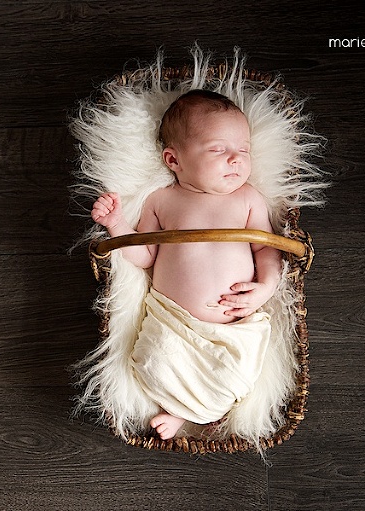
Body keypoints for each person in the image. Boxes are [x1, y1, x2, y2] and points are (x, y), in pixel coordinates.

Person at [90, 90, 282, 440]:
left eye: (244, 150)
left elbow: (267, 249)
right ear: (173, 160)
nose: (236, 159)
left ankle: (187, 411)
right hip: (173, 321)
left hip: (233, 329)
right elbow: (144, 255)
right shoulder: (162, 200)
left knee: (233, 375)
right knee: (154, 360)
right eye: (218, 149)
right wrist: (117, 225)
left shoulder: (248, 199)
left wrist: (265, 287)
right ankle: (178, 405)